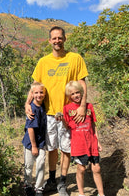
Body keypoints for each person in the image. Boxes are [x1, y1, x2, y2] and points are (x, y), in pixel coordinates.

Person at [25, 26, 88, 196]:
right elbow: (35, 86)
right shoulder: (43, 62)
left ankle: (62, 181)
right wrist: (27, 103)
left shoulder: (75, 58)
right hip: (49, 113)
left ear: (64, 39)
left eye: (60, 38)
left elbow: (82, 83)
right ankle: (51, 178)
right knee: (51, 148)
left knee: (66, 149)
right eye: (54, 38)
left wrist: (82, 105)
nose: (57, 41)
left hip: (69, 113)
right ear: (49, 41)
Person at [61, 80, 104, 196]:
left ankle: (101, 193)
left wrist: (98, 141)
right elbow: (67, 126)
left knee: (97, 169)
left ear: (81, 92)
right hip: (78, 144)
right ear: (69, 96)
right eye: (72, 94)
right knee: (81, 169)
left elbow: (93, 125)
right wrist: (62, 120)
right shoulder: (67, 108)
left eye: (77, 92)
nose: (76, 95)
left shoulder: (89, 106)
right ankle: (81, 193)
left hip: (91, 142)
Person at [22, 82, 47, 196]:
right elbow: (30, 129)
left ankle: (39, 188)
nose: (39, 95)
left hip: (41, 141)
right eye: (36, 92)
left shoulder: (42, 105)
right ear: (31, 94)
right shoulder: (32, 109)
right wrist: (34, 146)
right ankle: (27, 185)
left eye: (41, 92)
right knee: (29, 165)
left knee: (41, 164)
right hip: (30, 143)